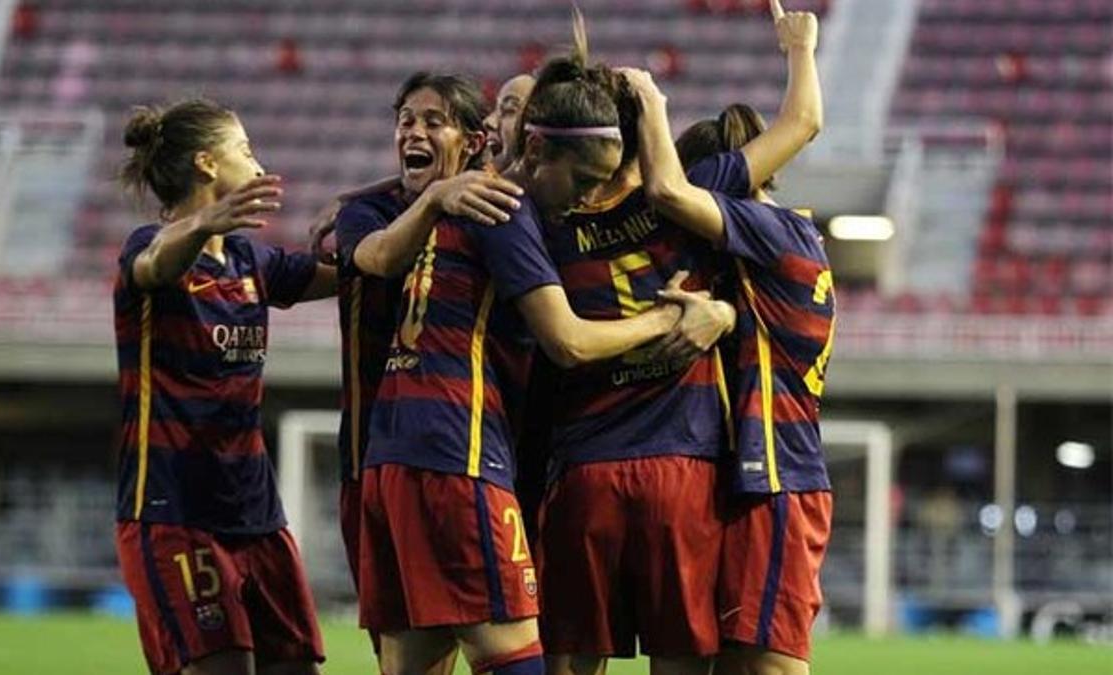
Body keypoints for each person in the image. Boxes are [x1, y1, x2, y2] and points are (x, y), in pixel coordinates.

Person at [357, 46, 724, 675]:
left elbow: (372, 256)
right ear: (537, 153)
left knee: (413, 661)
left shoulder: (444, 203)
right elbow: (570, 342)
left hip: (389, 457)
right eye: (581, 181)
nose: (582, 198)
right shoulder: (506, 209)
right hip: (460, 453)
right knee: (517, 656)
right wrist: (676, 316)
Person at [627, 2, 832, 672]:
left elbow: (671, 192)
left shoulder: (769, 233)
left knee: (768, 662)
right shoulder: (783, 244)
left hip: (777, 480)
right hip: (759, 476)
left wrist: (798, 49)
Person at [112, 98, 335, 675]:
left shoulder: (249, 261)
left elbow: (362, 270)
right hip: (173, 508)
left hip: (256, 512)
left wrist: (366, 213)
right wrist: (199, 225)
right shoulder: (148, 246)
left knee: (298, 668)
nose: (258, 166)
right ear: (208, 164)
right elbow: (155, 265)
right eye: (246, 150)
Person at [333, 71, 524, 674]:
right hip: (385, 460)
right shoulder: (366, 213)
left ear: (473, 141)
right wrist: (436, 196)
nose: (412, 131)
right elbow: (381, 258)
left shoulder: (496, 207)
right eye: (406, 120)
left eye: (432, 121)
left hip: (467, 448)